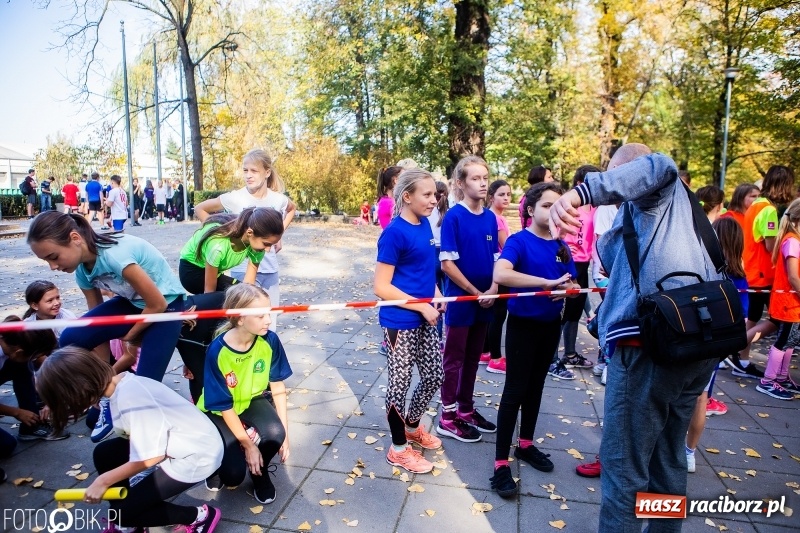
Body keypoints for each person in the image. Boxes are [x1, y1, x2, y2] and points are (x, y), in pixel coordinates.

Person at [549, 144, 721, 532]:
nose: (617, 187)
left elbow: (657, 166)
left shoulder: (660, 179)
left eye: (618, 176)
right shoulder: (668, 216)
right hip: (693, 348)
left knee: (624, 470)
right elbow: (615, 264)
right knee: (668, 461)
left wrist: (582, 192)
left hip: (649, 352)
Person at [27, 211, 187, 441]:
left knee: (145, 387)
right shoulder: (82, 271)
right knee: (71, 337)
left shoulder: (115, 256)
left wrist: (131, 336)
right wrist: (103, 378)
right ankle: (106, 398)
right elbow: (98, 325)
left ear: (74, 238)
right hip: (133, 303)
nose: (52, 266)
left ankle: (151, 434)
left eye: (54, 257)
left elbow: (157, 304)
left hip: (167, 306)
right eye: (47, 261)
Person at [36, 346, 223, 532]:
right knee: (104, 454)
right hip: (180, 444)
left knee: (123, 513)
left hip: (196, 456)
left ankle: (199, 517)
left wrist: (103, 481)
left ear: (77, 389)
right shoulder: (120, 384)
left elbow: (149, 458)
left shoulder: (130, 398)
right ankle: (127, 519)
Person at [490, 182, 578, 497]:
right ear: (530, 210)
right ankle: (501, 464)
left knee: (537, 387)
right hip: (522, 328)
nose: (553, 210)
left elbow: (571, 281)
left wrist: (567, 290)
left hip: (550, 327)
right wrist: (545, 283)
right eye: (546, 205)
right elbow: (501, 274)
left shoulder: (561, 245)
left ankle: (525, 445)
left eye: (558, 204)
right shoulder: (519, 241)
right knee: (515, 390)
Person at [374, 168, 445, 474]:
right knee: (399, 385)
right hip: (400, 321)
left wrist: (437, 292)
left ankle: (413, 426)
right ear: (407, 196)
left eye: (435, 194)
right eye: (427, 195)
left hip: (425, 315)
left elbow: (423, 270)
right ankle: (398, 448)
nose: (434, 199)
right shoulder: (394, 233)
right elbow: (381, 286)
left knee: (433, 375)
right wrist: (421, 306)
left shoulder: (426, 223)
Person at [197, 284, 292, 504]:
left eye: (268, 313)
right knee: (233, 475)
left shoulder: (270, 340)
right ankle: (216, 465)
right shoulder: (217, 351)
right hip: (219, 410)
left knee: (275, 434)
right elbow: (224, 405)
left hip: (251, 399)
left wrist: (285, 434)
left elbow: (277, 387)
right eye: (260, 316)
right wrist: (248, 446)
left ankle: (260, 473)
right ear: (239, 318)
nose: (268, 320)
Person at [437, 155, 498, 443]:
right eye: (475, 178)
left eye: (485, 177)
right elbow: (447, 264)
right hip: (462, 301)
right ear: (460, 183)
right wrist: (476, 293)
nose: (483, 182)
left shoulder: (490, 217)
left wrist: (494, 289)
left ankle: (465, 409)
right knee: (454, 359)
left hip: (487, 301)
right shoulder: (454, 217)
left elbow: (499, 257)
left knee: (474, 358)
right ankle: (446, 417)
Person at [685, 217, 745, 473]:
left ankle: (673, 449)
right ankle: (689, 452)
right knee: (701, 398)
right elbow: (741, 316)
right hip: (716, 346)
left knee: (677, 396)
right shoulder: (740, 280)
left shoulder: (699, 268)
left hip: (690, 339)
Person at [733, 166, 795, 378]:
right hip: (763, 273)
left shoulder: (756, 206)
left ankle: (741, 359)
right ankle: (736, 349)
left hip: (753, 270)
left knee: (753, 318)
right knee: (777, 320)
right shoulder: (768, 210)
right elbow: (771, 247)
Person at [554, 166, 600, 373]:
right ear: (580, 182)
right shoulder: (569, 203)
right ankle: (552, 357)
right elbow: (559, 234)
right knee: (562, 311)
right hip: (567, 261)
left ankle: (570, 353)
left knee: (575, 310)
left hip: (584, 263)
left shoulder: (594, 206)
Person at [179, 208, 284, 294]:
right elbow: (209, 293)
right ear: (250, 233)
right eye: (266, 244)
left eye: (271, 244)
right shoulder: (218, 245)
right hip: (191, 271)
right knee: (226, 298)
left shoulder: (257, 246)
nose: (268, 249)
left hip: (214, 272)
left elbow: (248, 285)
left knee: (244, 295)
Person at [758, 198, 800, 400]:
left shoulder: (793, 240)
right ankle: (768, 380)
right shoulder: (792, 241)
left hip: (793, 303)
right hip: (789, 302)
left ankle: (781, 377)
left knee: (791, 340)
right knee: (783, 341)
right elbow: (793, 277)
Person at [0, 316, 62, 441]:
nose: (35, 360)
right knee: (7, 445)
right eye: (34, 357)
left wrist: (50, 399)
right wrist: (16, 412)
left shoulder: (18, 337)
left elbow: (46, 366)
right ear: (19, 352)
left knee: (22, 365)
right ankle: (28, 418)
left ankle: (31, 427)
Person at [481, 179, 512, 374]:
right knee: (498, 315)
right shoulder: (497, 219)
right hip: (499, 269)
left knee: (492, 315)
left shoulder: (490, 216)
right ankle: (495, 358)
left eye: (508, 194)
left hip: (492, 268)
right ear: (491, 197)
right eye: (502, 194)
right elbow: (508, 246)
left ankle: (484, 352)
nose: (506, 198)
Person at [427, 180, 449, 346]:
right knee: (447, 297)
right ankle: (448, 335)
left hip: (434, 252)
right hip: (447, 253)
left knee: (436, 297)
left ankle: (437, 339)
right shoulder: (449, 212)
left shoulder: (429, 212)